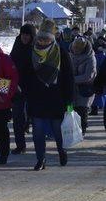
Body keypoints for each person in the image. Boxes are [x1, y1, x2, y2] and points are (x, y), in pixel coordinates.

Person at [16, 19, 74, 170]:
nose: (42, 43)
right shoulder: (32, 53)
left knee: (57, 130)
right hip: (37, 99)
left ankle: (62, 150)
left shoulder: (61, 53)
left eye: (46, 39)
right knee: (38, 131)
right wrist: (24, 92)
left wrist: (69, 100)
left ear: (52, 39)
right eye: (40, 39)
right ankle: (40, 158)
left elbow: (69, 78)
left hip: (57, 99)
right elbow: (25, 76)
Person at [9, 24, 36, 154]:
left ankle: (39, 146)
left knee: (35, 117)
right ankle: (21, 145)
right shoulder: (16, 47)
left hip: (32, 88)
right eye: (23, 35)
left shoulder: (36, 49)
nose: (25, 37)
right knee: (17, 117)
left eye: (27, 35)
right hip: (17, 88)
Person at [69, 36, 96, 134]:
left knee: (82, 109)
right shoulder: (70, 56)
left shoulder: (90, 58)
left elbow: (88, 76)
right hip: (73, 88)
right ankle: (75, 129)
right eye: (75, 50)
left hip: (85, 88)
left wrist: (72, 79)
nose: (76, 52)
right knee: (74, 110)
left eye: (78, 50)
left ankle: (82, 130)